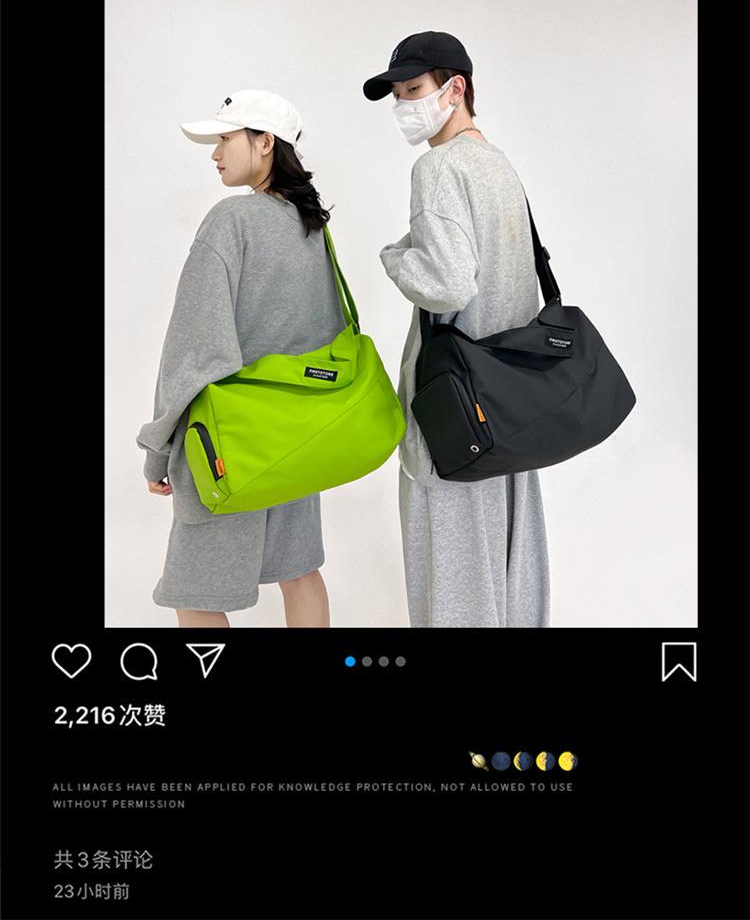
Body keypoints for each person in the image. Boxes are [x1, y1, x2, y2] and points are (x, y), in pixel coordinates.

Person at [135, 89, 345, 628]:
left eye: (225, 139)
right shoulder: (312, 227)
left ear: (265, 142)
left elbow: (193, 348)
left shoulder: (231, 220)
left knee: (195, 592)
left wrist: (159, 450)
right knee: (299, 572)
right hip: (298, 438)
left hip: (228, 443)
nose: (215, 153)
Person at [363, 31, 551, 628]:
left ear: (455, 89)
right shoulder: (499, 165)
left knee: (453, 588)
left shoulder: (438, 167)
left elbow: (447, 286)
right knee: (509, 575)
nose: (404, 104)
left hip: (454, 411)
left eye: (414, 88)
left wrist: (396, 257)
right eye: (397, 94)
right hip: (510, 404)